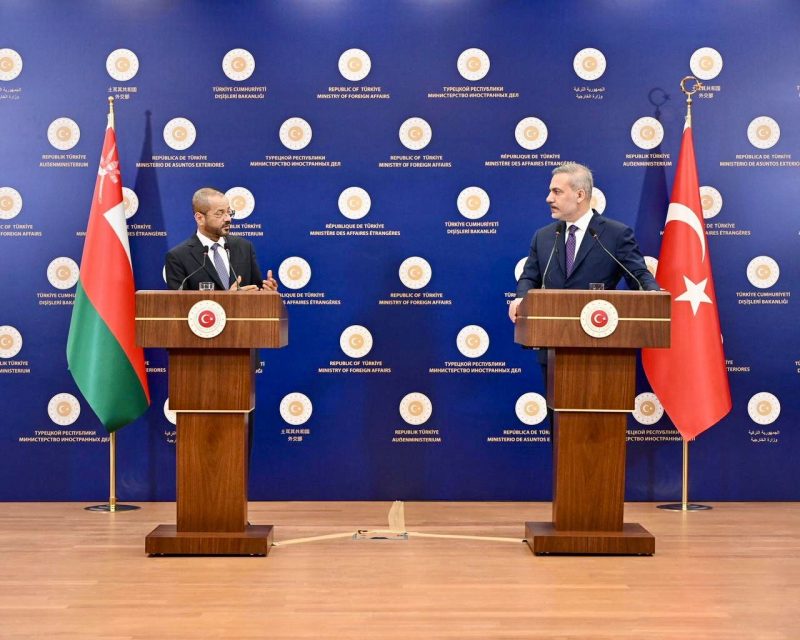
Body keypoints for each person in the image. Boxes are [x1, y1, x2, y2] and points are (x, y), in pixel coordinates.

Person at [509, 162, 658, 324]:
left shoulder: (616, 234)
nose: (549, 198)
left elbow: (638, 275)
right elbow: (529, 278)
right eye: (550, 191)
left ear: (580, 195)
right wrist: (520, 299)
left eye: (557, 192)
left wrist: (653, 293)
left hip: (597, 334)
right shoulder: (543, 236)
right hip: (549, 335)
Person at [165, 187, 278, 291]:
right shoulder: (178, 257)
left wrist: (267, 293)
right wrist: (228, 299)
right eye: (220, 213)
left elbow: (256, 291)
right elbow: (179, 306)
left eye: (229, 212)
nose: (228, 218)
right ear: (200, 218)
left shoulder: (244, 247)